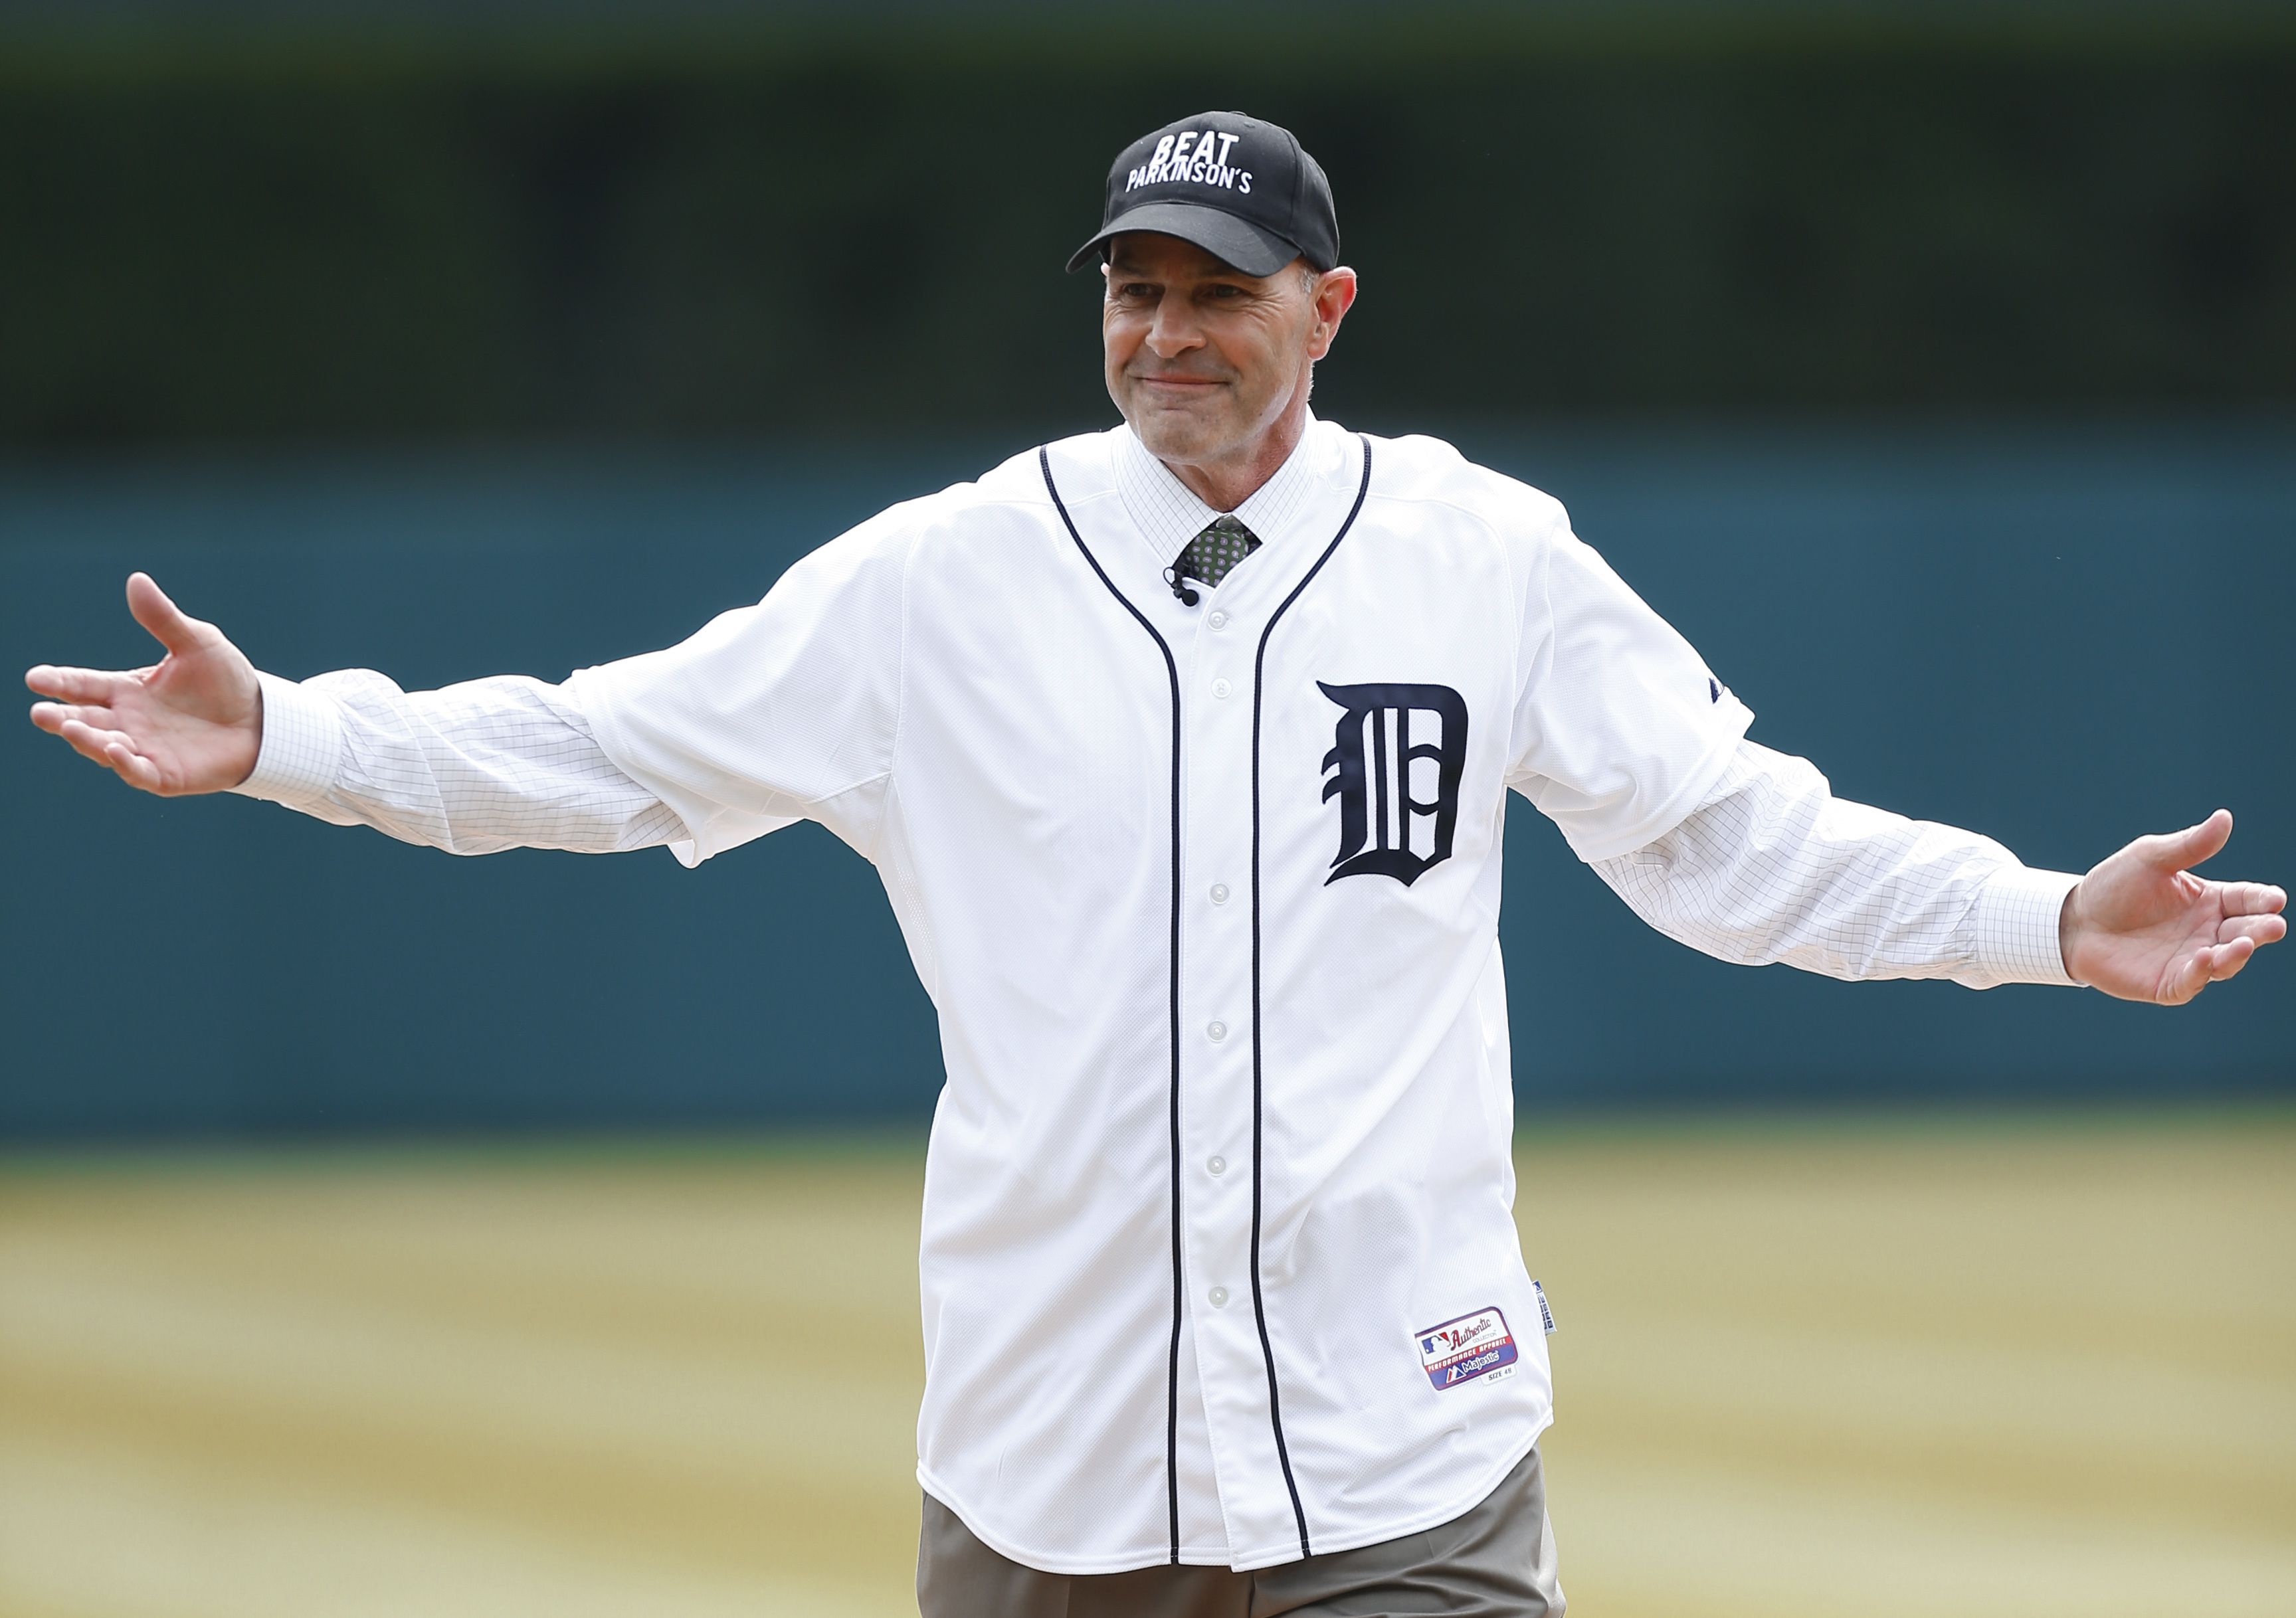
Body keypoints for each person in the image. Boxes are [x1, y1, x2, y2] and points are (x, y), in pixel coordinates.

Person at [24, 110, 2284, 1617]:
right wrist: (294, 736)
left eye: (1217, 291)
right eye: (1133, 288)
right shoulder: (946, 578)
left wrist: (2040, 923)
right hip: (1048, 1476)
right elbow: (606, 746)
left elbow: (1731, 840)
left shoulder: (1483, 557)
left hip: (1408, 1450)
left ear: (1330, 306)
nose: (1165, 335)